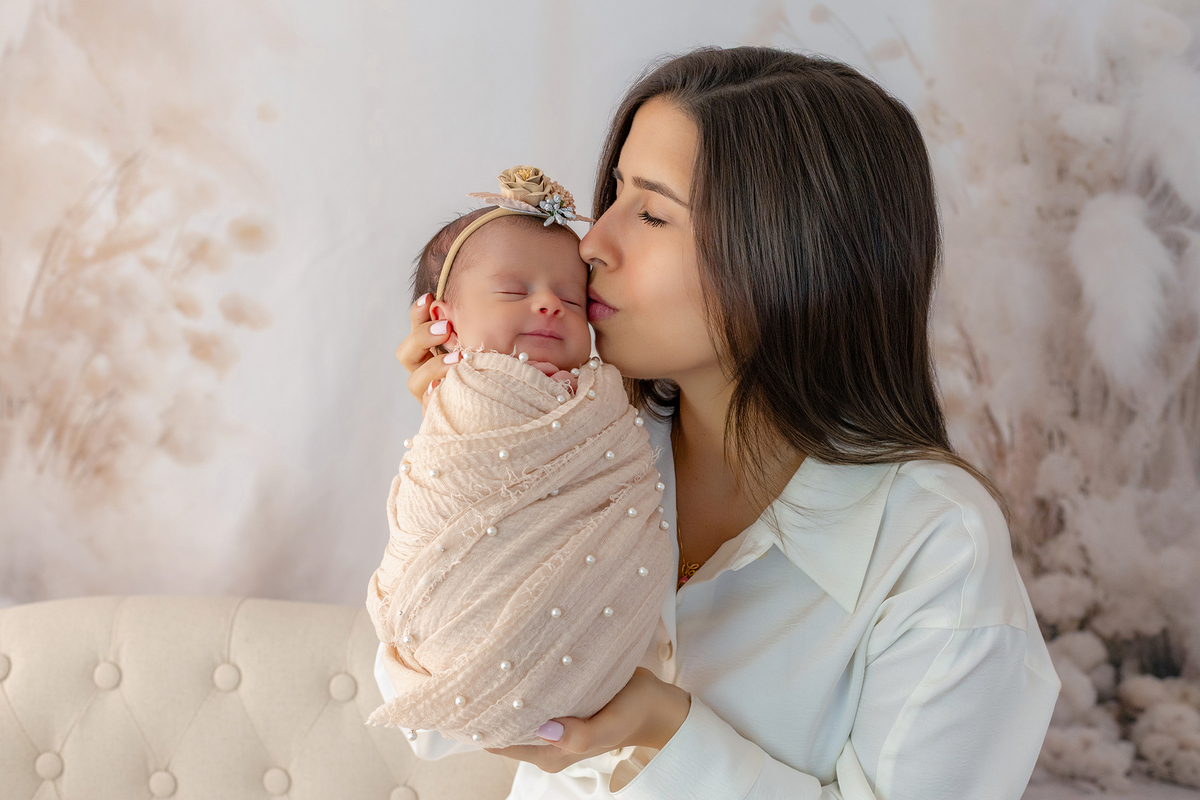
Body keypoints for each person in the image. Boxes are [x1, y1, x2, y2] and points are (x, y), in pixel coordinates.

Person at [389, 46, 1060, 799]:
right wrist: (477, 456)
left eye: (650, 212)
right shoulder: (585, 447)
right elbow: (430, 716)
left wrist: (664, 730)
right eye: (612, 197)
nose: (591, 243)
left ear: (793, 254)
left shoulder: (935, 550)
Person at [367, 168, 674, 750]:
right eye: (514, 293)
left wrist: (670, 730)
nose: (550, 307)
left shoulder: (604, 409)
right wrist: (466, 419)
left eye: (570, 298)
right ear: (443, 321)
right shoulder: (467, 397)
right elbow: (429, 723)